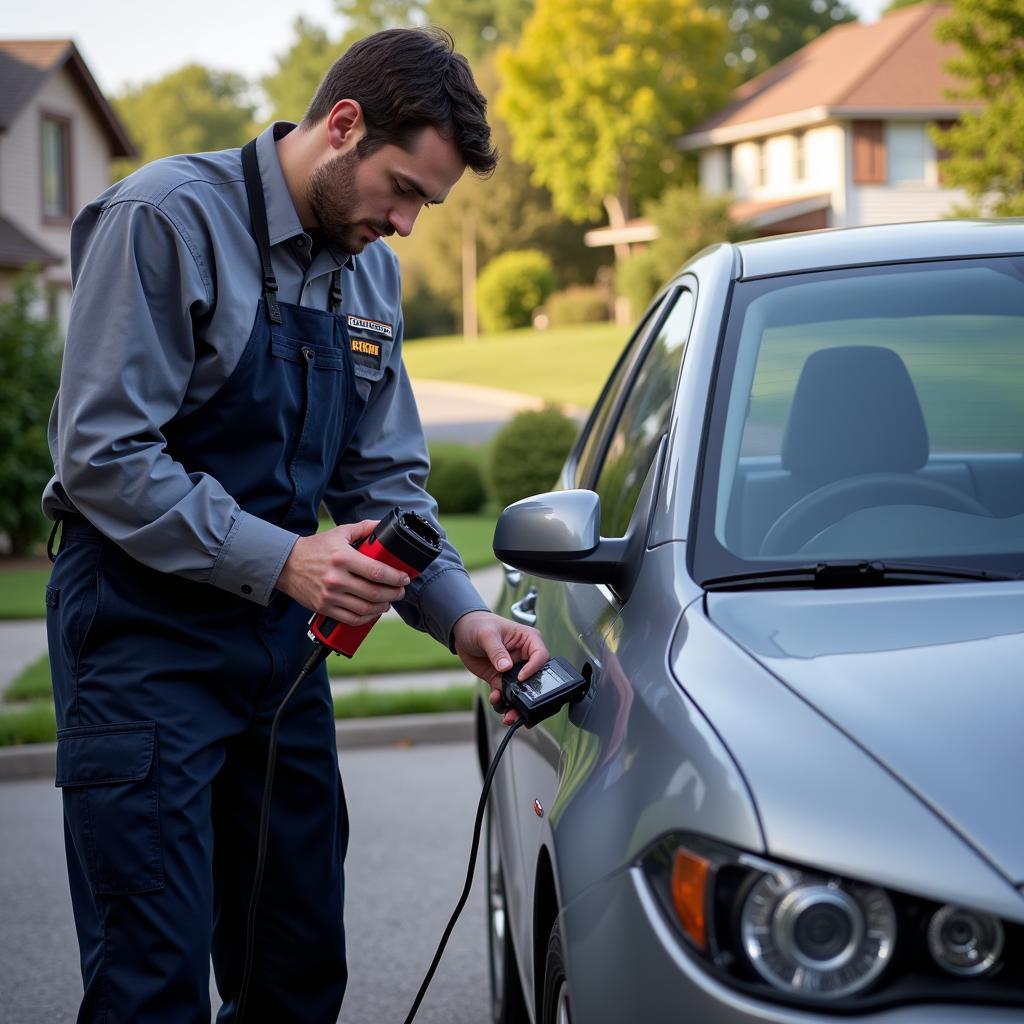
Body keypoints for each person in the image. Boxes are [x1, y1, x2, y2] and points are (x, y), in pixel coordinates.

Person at [42, 27, 547, 1023]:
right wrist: (285, 560)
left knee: (298, 967)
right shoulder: (163, 219)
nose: (405, 223)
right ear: (343, 126)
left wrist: (461, 620)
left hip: (281, 651)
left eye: (426, 205)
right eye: (401, 189)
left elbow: (385, 486)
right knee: (152, 981)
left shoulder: (371, 278)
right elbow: (100, 455)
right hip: (140, 640)